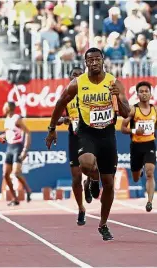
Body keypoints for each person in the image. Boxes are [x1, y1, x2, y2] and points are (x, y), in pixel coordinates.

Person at [46, 47, 131, 241]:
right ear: (86, 63)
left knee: (108, 184)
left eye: (97, 59)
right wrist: (51, 128)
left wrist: (118, 96)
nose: (94, 63)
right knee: (85, 163)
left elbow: (126, 113)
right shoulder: (78, 83)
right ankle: (92, 179)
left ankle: (103, 224)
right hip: (87, 133)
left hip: (107, 135)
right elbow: (60, 103)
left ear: (103, 61)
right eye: (90, 60)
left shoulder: (114, 82)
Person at [0, 101, 32, 206]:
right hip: (10, 147)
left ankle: (28, 189)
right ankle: (15, 198)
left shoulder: (17, 119)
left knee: (16, 173)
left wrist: (25, 150)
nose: (3, 108)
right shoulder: (7, 120)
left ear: (9, 108)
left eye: (5, 106)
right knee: (5, 174)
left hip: (18, 147)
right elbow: (7, 134)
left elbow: (27, 132)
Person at [55, 66, 87, 225]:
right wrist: (64, 120)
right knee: (76, 176)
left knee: (92, 169)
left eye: (79, 75)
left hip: (90, 136)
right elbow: (58, 117)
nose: (76, 78)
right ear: (69, 79)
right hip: (74, 136)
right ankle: (81, 208)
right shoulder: (66, 96)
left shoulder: (90, 94)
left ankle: (90, 183)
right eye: (74, 75)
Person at [120, 81, 155, 212]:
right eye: (141, 91)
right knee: (135, 177)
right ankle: (138, 172)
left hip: (149, 144)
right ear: (137, 94)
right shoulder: (133, 110)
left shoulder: (155, 110)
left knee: (150, 172)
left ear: (151, 94)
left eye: (146, 91)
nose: (144, 94)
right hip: (136, 146)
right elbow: (123, 128)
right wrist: (134, 131)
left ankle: (150, 201)